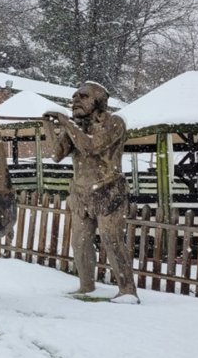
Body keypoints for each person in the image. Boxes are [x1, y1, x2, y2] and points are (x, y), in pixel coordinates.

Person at [42, 82, 139, 303]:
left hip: (108, 190)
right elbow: (56, 154)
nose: (76, 100)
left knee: (111, 239)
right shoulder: (75, 127)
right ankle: (86, 285)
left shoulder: (115, 123)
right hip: (81, 193)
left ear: (99, 101)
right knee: (80, 241)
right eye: (74, 96)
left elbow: (91, 147)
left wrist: (66, 122)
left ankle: (127, 291)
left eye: (83, 96)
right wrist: (49, 126)